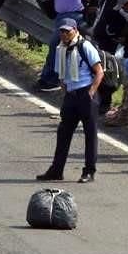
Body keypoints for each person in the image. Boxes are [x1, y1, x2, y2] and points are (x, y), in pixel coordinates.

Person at [36, 22, 104, 183]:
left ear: (75, 30)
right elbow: (61, 72)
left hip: (86, 93)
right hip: (71, 95)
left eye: (68, 31)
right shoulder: (61, 48)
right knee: (63, 133)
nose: (65, 34)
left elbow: (99, 71)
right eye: (62, 31)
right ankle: (56, 170)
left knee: (90, 134)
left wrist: (91, 92)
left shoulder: (85, 46)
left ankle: (89, 171)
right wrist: (65, 89)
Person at [35, 0, 94, 91]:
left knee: (56, 45)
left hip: (75, 15)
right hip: (62, 16)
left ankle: (50, 80)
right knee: (58, 47)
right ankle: (51, 77)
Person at [92, 0, 127, 113]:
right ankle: (103, 101)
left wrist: (112, 32)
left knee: (108, 73)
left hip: (113, 43)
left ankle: (107, 103)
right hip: (101, 40)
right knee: (101, 69)